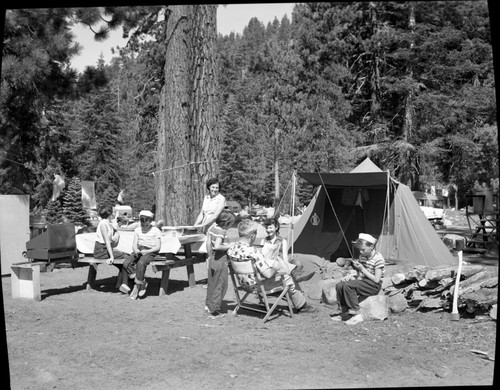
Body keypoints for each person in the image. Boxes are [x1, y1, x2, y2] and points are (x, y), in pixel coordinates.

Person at [227, 219, 317, 314]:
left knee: (276, 263)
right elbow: (268, 274)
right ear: (252, 235)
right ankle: (302, 306)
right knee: (288, 278)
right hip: (257, 286)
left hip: (243, 284)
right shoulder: (253, 252)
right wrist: (276, 266)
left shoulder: (232, 249)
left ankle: (293, 272)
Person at [333, 233, 386, 325]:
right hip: (363, 282)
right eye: (360, 250)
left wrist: (362, 269)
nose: (361, 252)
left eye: (363, 249)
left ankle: (356, 314)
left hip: (373, 286)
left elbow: (376, 280)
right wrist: (351, 276)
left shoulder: (378, 259)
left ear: (372, 246)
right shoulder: (363, 257)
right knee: (340, 285)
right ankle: (345, 312)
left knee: (348, 286)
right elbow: (360, 274)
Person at [120, 210, 162, 299]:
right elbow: (134, 245)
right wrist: (135, 249)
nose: (144, 226)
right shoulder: (137, 230)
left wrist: (147, 251)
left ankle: (136, 287)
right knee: (126, 263)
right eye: (142, 224)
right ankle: (141, 282)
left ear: (150, 221)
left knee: (141, 263)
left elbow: (157, 247)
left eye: (146, 224)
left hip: (150, 250)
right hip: (139, 249)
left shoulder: (155, 230)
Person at [205, 210, 237, 318]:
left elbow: (208, 243)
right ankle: (214, 311)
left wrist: (210, 256)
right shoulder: (221, 231)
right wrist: (230, 245)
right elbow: (217, 246)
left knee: (212, 284)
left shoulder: (212, 228)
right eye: (231, 223)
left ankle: (208, 305)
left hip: (213, 258)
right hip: (220, 259)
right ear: (226, 222)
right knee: (220, 285)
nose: (232, 226)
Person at [93, 205, 127, 289]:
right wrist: (111, 257)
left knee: (124, 263)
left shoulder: (108, 223)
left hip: (105, 249)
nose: (114, 213)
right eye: (113, 211)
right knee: (126, 257)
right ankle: (128, 281)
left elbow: (113, 235)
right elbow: (107, 241)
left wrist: (117, 233)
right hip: (101, 250)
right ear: (109, 214)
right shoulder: (103, 224)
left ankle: (121, 284)